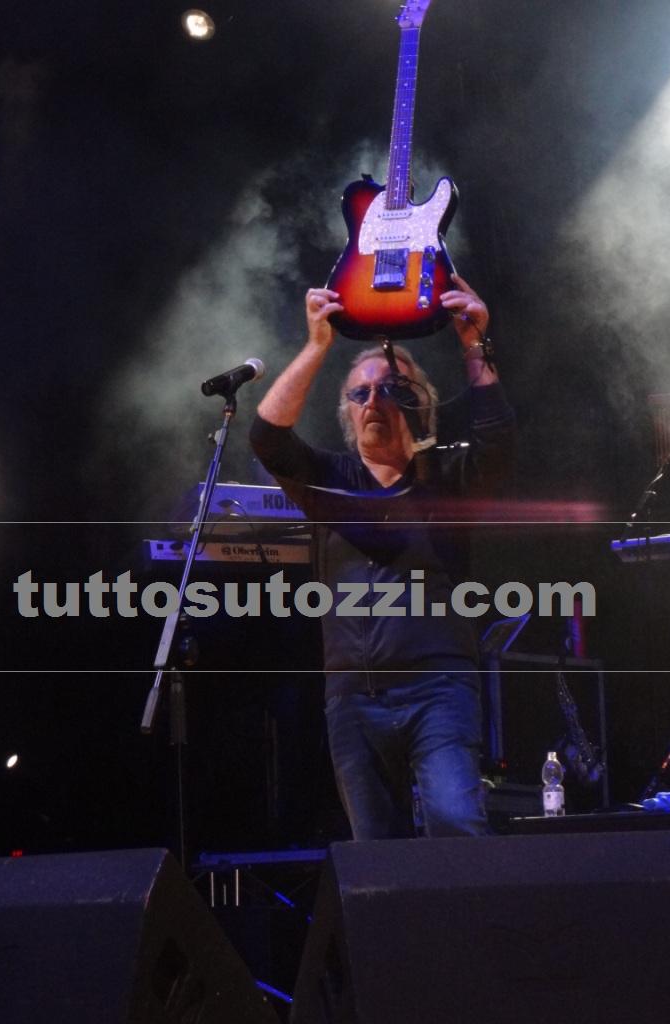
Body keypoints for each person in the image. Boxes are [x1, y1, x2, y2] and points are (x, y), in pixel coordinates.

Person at [249, 275, 514, 840]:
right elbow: (268, 438)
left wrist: (474, 344)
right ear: (348, 413)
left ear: (420, 404)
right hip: (352, 697)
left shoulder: (446, 478)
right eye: (360, 393)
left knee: (457, 823)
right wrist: (318, 345)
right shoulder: (329, 481)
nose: (374, 401)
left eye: (391, 388)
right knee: (376, 853)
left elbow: (497, 441)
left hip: (438, 688)